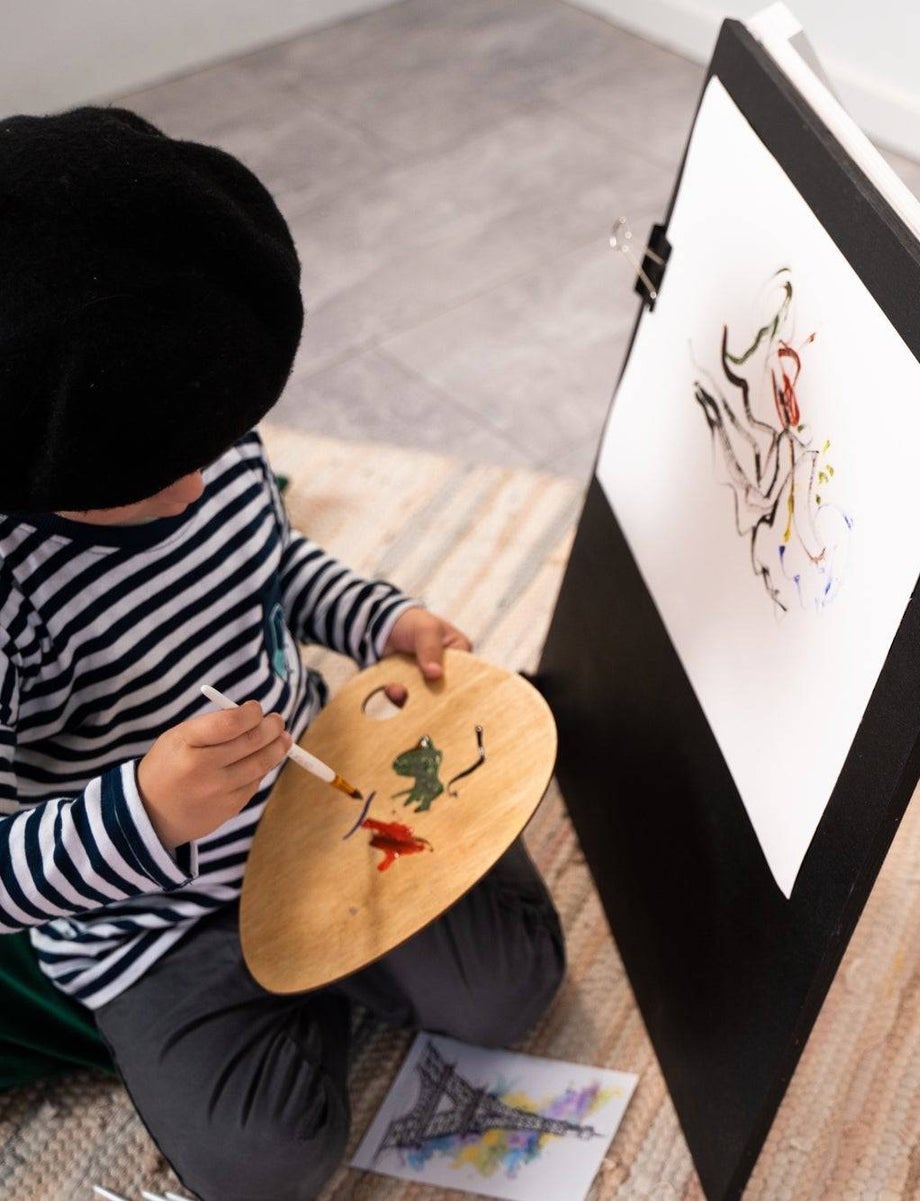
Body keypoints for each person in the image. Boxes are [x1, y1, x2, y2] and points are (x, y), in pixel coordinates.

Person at [0, 106, 566, 1200]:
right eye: (161, 470)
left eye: (220, 437)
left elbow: (273, 560)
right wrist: (145, 811)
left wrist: (380, 620)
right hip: (148, 918)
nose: (205, 478)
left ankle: (334, 966)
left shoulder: (200, 436)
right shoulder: (17, 591)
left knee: (509, 989)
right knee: (265, 1165)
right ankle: (291, 993)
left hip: (328, 804)